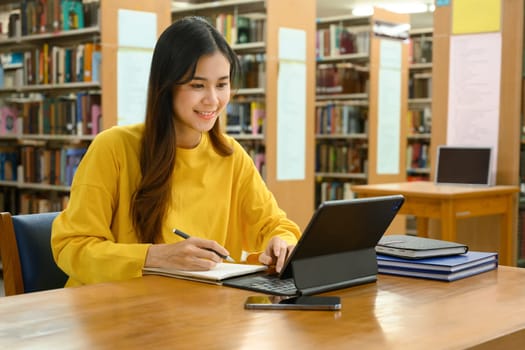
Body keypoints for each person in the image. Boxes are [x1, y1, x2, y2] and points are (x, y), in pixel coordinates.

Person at [51, 16, 301, 287]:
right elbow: (71, 247)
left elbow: (276, 225)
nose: (213, 100)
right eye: (197, 85)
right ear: (166, 86)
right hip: (109, 312)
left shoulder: (231, 155)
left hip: (194, 313)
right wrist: (154, 257)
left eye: (221, 84)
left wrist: (282, 243)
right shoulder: (113, 148)